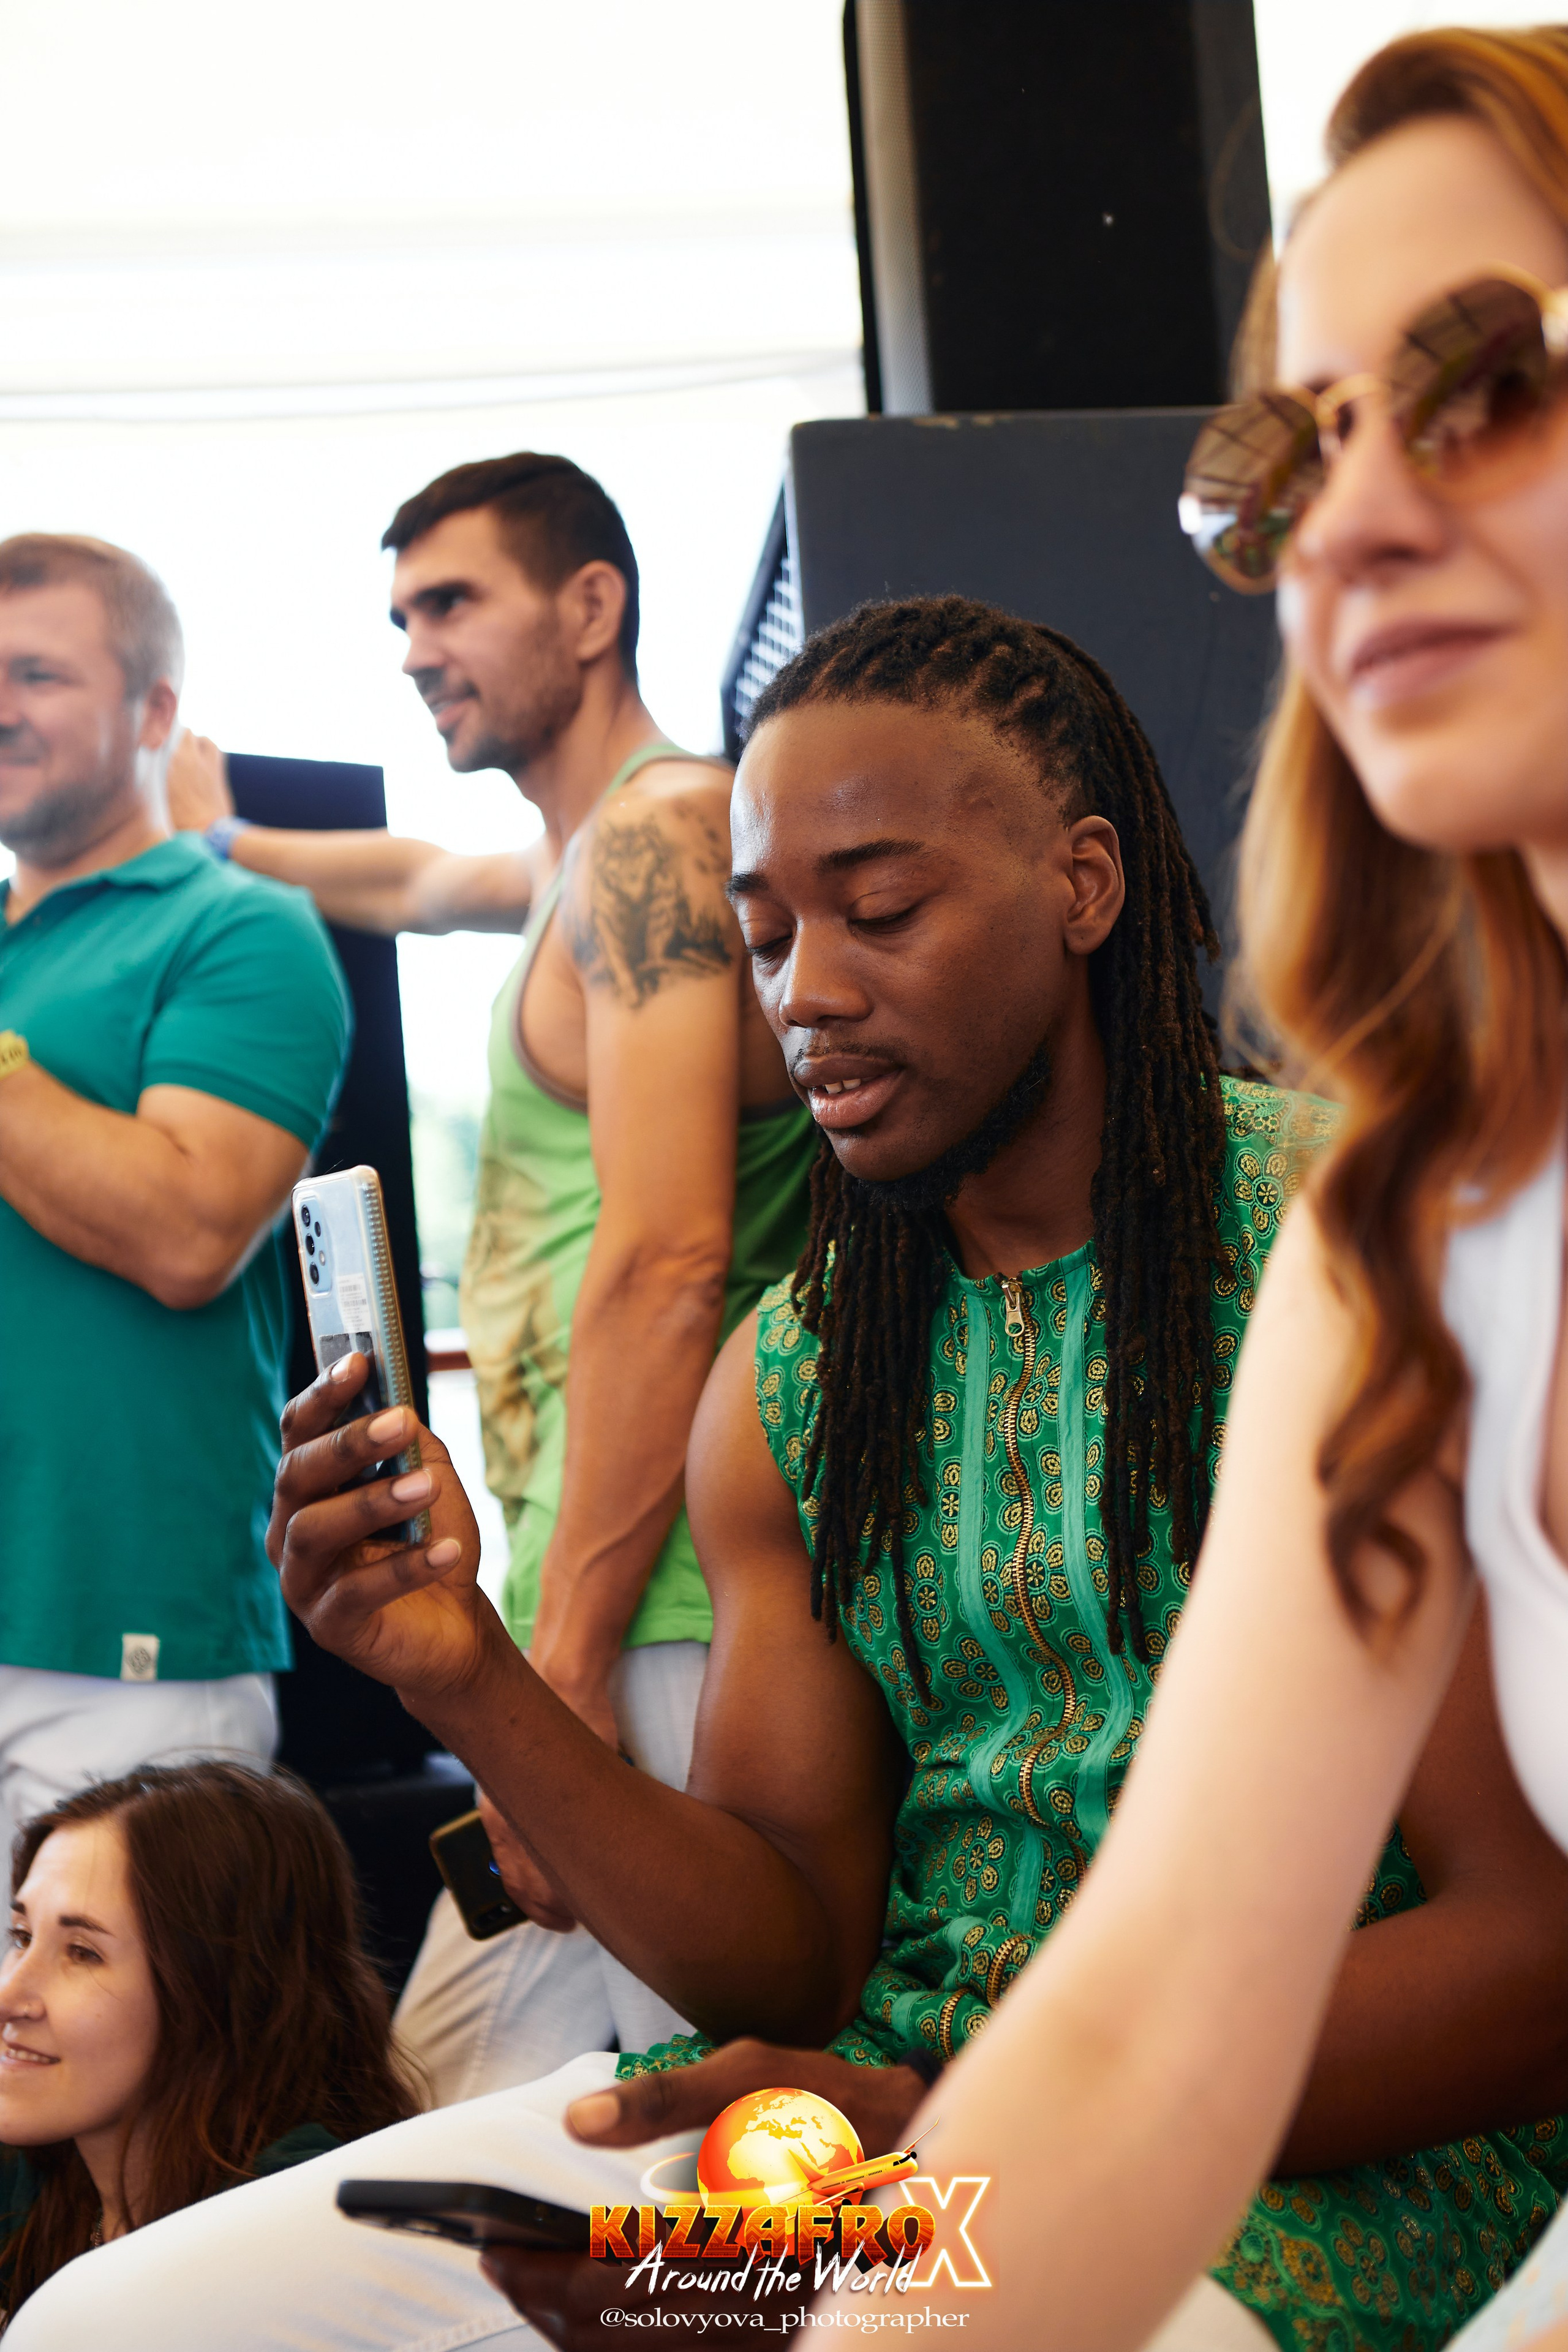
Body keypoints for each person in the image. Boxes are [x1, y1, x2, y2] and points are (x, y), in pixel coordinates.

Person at [23, 597, 1568, 2352]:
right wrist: (467, 1668)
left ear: (1085, 885)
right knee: (120, 2325)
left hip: (1320, 2160)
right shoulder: (798, 1372)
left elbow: (1529, 1957)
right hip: (871, 2131)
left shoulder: (1358, 1247)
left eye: (883, 913)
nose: (807, 994)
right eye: (762, 938)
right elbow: (793, 1955)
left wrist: (954, 2154)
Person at [834, 26, 1568, 2352]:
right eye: (1283, 459)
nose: (1339, 529)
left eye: (1483, 385)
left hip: (1368, 2218)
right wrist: (834, 2249)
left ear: (1075, 890)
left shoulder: (1282, 1222)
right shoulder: (1410, 1234)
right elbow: (1140, 2016)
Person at [168, 454, 816, 2105]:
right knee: (458, 2120)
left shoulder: (658, 841)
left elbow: (669, 1261)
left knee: (724, 2126)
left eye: (451, 602)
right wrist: (218, 835)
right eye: (398, 614)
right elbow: (408, 882)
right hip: (604, 1594)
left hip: (667, 1607)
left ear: (591, 607)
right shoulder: (588, 860)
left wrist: (573, 1665)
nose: (410, 646)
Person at [0, 535, 349, 1859]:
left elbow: (190, 1230)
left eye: (36, 673)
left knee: (143, 2069)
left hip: (128, 1629)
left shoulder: (241, 928)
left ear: (156, 712)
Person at [0, 1760, 418, 2326]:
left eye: (83, 1953)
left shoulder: (311, 2224)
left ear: (217, 1989)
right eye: (22, 1936)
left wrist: (590, 2267)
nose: (10, 1995)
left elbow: (583, 2236)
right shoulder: (38, 2167)